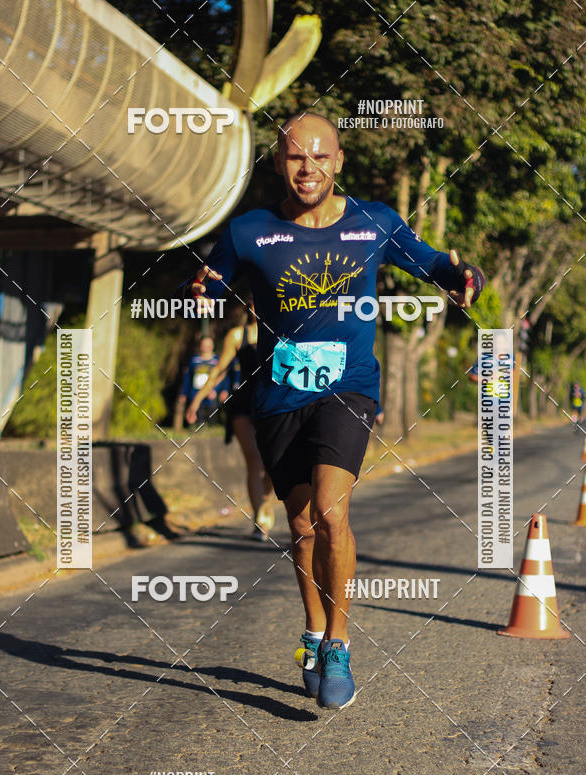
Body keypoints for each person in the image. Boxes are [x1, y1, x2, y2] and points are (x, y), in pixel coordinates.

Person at [189, 111, 485, 709]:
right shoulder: (249, 230)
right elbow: (212, 283)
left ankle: (340, 643)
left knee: (330, 511)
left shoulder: (375, 222)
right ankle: (314, 629)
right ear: (279, 163)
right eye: (297, 156)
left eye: (320, 156)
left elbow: (431, 261)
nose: (309, 168)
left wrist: (461, 272)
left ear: (339, 161)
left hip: (349, 388)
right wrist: (199, 289)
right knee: (301, 526)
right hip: (279, 394)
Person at [185, 308, 274, 541]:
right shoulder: (237, 335)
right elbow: (218, 370)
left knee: (273, 465)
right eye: (253, 301)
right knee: (253, 460)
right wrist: (196, 400)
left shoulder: (279, 328)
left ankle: (265, 500)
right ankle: (259, 519)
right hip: (244, 403)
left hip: (272, 402)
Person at [174, 336, 228, 427]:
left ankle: (211, 429)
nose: (206, 348)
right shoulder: (194, 360)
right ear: (200, 346)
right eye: (204, 345)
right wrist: (183, 393)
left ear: (212, 346)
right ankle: (197, 429)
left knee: (212, 417)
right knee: (197, 418)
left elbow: (223, 377)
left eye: (208, 345)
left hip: (211, 394)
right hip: (195, 393)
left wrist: (219, 390)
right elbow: (187, 378)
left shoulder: (217, 361)